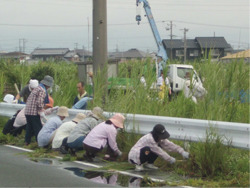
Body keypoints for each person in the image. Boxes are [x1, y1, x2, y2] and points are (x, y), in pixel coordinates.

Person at [24, 75, 54, 145]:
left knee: (29, 127)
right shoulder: (42, 90)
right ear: (48, 85)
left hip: (28, 111)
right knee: (38, 128)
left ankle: (27, 142)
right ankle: (40, 143)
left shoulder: (37, 88)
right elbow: (39, 102)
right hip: (34, 112)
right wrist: (41, 110)